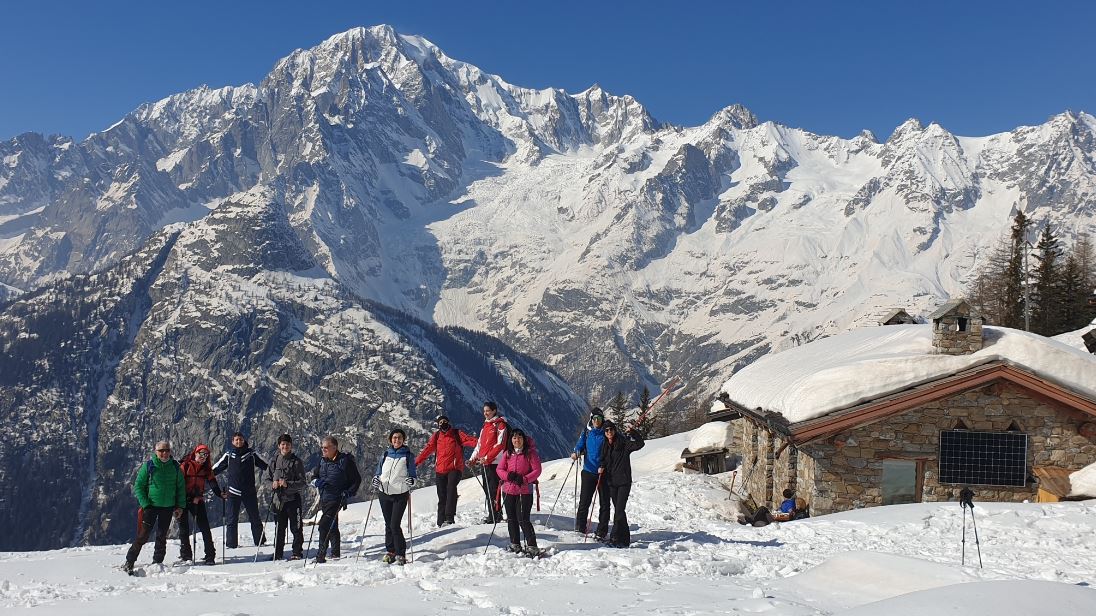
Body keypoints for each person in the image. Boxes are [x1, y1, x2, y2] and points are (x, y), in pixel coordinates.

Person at [122, 441, 185, 574]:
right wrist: (146, 504)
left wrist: (180, 506)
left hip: (168, 507)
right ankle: (129, 561)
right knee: (143, 536)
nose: (164, 453)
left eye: (167, 450)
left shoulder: (175, 467)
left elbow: (181, 488)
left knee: (162, 536)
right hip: (151, 506)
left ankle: (158, 562)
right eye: (161, 451)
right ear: (156, 452)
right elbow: (138, 486)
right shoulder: (149, 466)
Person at [415, 415, 476, 526]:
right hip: (440, 470)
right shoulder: (437, 436)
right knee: (442, 495)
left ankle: (449, 518)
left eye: (444, 421)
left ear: (448, 422)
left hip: (455, 468)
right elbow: (427, 449)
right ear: (438, 425)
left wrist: (483, 445)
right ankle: (440, 521)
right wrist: (416, 462)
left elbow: (469, 440)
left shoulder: (457, 434)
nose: (442, 423)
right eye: (440, 422)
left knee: (451, 489)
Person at [212, 431, 269, 549]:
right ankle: (231, 545)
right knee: (231, 519)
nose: (239, 442)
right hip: (233, 492)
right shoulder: (229, 455)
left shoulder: (252, 454)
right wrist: (204, 476)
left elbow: (266, 466)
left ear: (244, 441)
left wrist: (276, 477)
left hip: (250, 492)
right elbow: (215, 469)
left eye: (241, 439)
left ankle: (260, 542)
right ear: (232, 442)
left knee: (255, 517)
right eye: (236, 440)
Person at [310, 435, 361, 563]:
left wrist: (348, 493)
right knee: (332, 525)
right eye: (322, 448)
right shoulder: (322, 461)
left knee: (324, 525)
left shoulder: (345, 461)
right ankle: (335, 553)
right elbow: (313, 477)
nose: (323, 450)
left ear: (334, 447)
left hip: (337, 498)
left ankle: (321, 555)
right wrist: (316, 482)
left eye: (326, 448)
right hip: (325, 498)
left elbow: (356, 480)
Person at [372, 428, 417, 565]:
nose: (396, 440)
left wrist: (412, 481)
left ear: (403, 440)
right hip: (384, 493)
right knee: (388, 524)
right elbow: (379, 471)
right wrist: (376, 479)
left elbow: (413, 475)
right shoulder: (386, 454)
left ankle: (400, 553)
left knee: (394, 524)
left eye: (399, 438)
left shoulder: (408, 455)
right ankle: (391, 551)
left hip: (400, 494)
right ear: (390, 439)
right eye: (394, 438)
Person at [496, 428, 543, 557]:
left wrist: (524, 479)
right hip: (508, 490)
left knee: (523, 519)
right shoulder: (507, 453)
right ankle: (515, 543)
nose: (517, 440)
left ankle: (532, 545)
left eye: (519, 437)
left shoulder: (530, 453)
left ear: (524, 439)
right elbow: (499, 469)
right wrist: (508, 476)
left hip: (524, 490)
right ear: (511, 440)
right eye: (514, 438)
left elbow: (537, 470)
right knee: (511, 518)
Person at [597, 421, 644, 548]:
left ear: (615, 430)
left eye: (611, 429)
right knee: (620, 511)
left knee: (618, 511)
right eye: (606, 430)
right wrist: (601, 466)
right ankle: (625, 538)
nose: (609, 432)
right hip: (612, 483)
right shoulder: (605, 445)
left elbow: (640, 444)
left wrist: (633, 432)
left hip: (624, 482)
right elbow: (603, 459)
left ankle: (616, 537)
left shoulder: (623, 443)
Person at [178, 443, 224, 565]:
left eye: (206, 455)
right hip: (183, 500)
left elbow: (212, 482)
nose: (203, 457)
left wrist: (220, 494)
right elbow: (178, 483)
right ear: (195, 453)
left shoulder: (206, 469)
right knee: (183, 529)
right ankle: (186, 555)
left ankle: (210, 556)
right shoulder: (185, 465)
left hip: (197, 500)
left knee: (204, 528)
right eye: (201, 454)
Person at [267, 434, 307, 561]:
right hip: (278, 501)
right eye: (283, 444)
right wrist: (271, 484)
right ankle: (277, 554)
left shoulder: (296, 462)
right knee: (279, 528)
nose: (285, 447)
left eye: (288, 444)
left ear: (291, 446)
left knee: (296, 528)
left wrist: (287, 484)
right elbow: (266, 479)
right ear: (279, 446)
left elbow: (302, 482)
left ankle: (297, 552)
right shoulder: (273, 461)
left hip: (293, 500)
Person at [570, 408, 609, 537]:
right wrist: (577, 451)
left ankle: (602, 531)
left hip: (603, 472)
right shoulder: (587, 432)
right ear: (591, 419)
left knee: (604, 503)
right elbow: (580, 445)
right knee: (584, 502)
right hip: (588, 471)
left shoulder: (606, 432)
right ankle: (580, 527)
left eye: (599, 419)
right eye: (595, 419)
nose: (597, 421)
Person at [469, 401, 508, 523]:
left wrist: (487, 458)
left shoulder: (500, 425)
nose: (485, 413)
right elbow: (479, 445)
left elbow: (500, 444)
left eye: (488, 411)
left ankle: (495, 516)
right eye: (484, 411)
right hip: (485, 463)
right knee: (488, 490)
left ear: (494, 411)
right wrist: (472, 459)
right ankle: (494, 514)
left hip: (495, 463)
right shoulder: (485, 426)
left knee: (493, 490)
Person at [738, 489, 809, 526]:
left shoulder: (790, 504)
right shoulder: (789, 502)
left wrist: (776, 515)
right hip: (776, 515)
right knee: (762, 513)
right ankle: (750, 521)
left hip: (777, 518)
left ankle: (750, 520)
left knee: (762, 509)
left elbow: (788, 515)